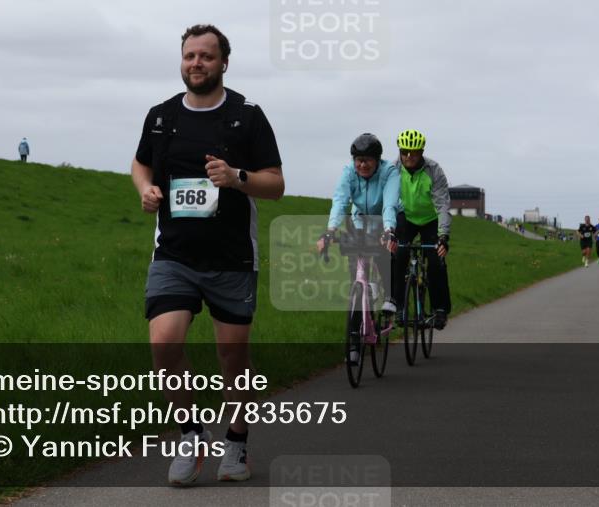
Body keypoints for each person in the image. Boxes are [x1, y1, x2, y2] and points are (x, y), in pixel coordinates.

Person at [131, 24, 284, 485]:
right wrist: (147, 189)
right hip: (174, 255)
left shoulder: (247, 115)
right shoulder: (161, 116)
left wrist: (237, 177)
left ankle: (236, 442)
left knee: (231, 358)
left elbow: (275, 184)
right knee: (164, 343)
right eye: (189, 56)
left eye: (206, 57)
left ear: (223, 63)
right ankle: (191, 435)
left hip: (231, 257)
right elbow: (141, 163)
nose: (196, 64)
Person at [316, 134, 400, 363]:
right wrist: (330, 231)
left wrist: (389, 231)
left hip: (385, 219)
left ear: (377, 160)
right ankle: (354, 343)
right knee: (357, 280)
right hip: (360, 221)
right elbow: (340, 201)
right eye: (358, 160)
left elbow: (390, 204)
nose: (362, 165)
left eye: (367, 160)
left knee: (384, 252)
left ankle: (391, 297)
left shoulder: (389, 172)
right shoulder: (348, 173)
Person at [389, 129, 451, 330]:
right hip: (405, 217)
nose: (408, 156)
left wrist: (443, 236)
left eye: (414, 152)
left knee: (436, 260)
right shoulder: (393, 169)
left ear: (422, 151)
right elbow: (388, 200)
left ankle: (440, 309)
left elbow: (442, 205)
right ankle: (398, 306)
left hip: (430, 219)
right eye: (405, 151)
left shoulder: (434, 170)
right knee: (398, 255)